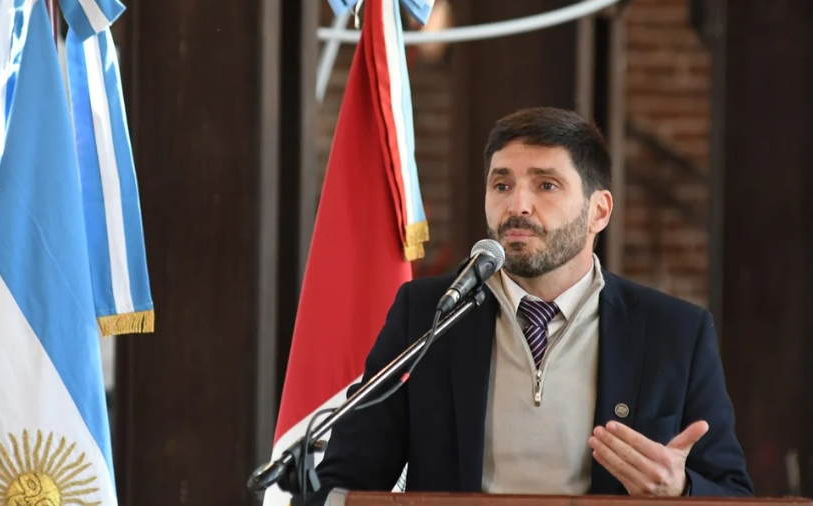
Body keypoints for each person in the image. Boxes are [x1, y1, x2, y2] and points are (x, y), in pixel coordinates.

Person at [307, 107, 752, 504]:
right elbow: (344, 484)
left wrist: (681, 490)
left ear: (598, 211)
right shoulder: (430, 314)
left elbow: (734, 494)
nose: (517, 205)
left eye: (546, 185)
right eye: (502, 185)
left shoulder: (675, 332)